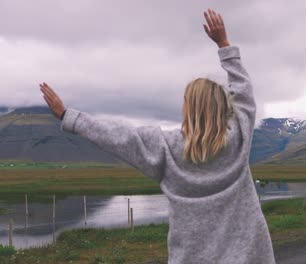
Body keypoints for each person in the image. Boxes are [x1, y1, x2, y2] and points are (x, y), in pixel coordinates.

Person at [40, 8, 275, 264]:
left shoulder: (166, 148)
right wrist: (223, 44)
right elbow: (244, 93)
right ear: (223, 108)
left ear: (190, 110)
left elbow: (119, 136)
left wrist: (68, 116)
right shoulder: (239, 137)